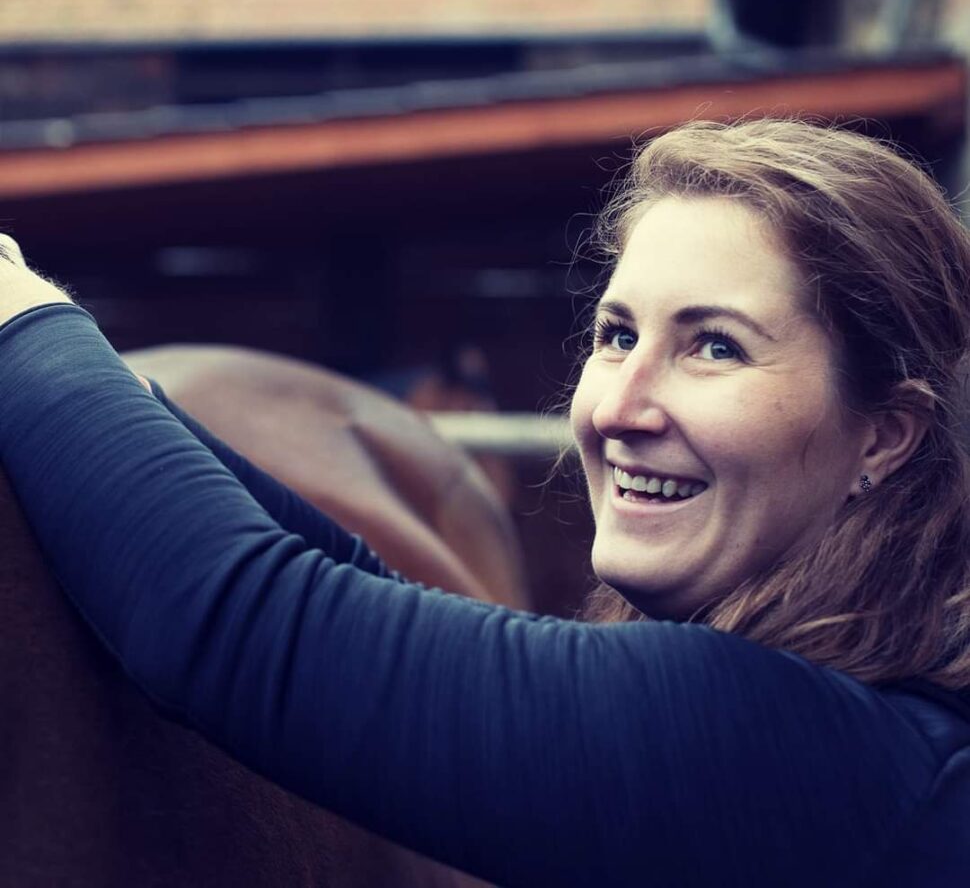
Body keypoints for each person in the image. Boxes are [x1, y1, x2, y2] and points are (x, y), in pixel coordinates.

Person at [0, 118, 968, 887]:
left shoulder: (799, 750)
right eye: (617, 335)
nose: (618, 409)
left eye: (715, 346)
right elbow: (357, 586)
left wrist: (24, 318)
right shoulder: (877, 722)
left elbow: (251, 622)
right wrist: (124, 404)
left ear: (884, 435)